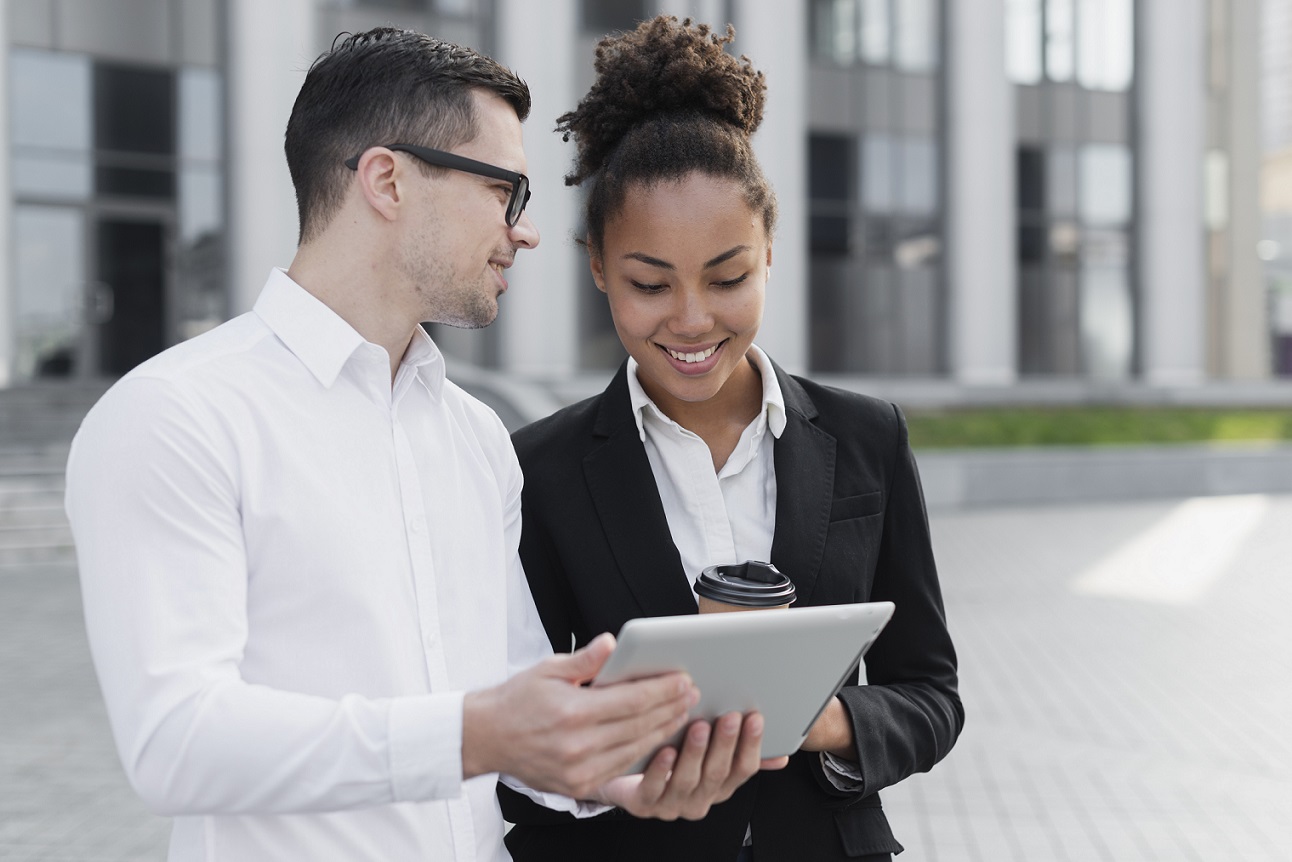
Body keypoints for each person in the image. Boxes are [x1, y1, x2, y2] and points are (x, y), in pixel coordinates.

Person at [64, 27, 778, 862]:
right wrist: (473, 735)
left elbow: (512, 703)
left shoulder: (474, 436)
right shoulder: (175, 416)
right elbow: (176, 743)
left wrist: (622, 769)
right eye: (507, 191)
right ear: (388, 180)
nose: (528, 231)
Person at [497, 17, 964, 862]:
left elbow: (931, 695)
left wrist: (823, 720)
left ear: (770, 253)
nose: (690, 321)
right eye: (648, 283)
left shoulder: (867, 438)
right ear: (599, 266)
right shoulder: (540, 469)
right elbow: (513, 737)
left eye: (728, 277)